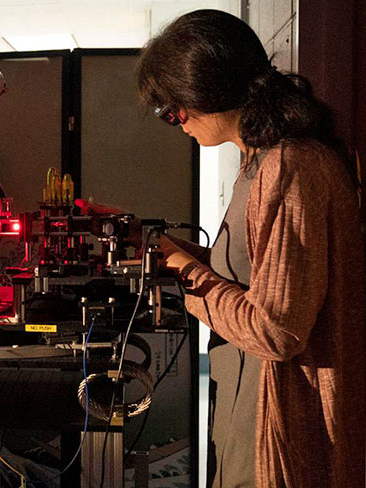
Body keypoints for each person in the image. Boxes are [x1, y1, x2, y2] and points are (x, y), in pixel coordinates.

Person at [136, 9, 365, 487]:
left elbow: (278, 330)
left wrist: (183, 271)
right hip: (241, 405)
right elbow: (252, 277)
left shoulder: (289, 166)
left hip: (275, 421)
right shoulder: (256, 164)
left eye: (173, 108)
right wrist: (172, 251)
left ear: (209, 89)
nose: (175, 121)